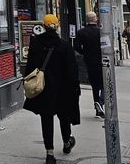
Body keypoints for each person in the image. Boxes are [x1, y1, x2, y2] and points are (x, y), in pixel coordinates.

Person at [24, 14, 81, 164]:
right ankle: (66, 141)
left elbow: (30, 67)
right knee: (65, 117)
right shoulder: (64, 46)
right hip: (63, 89)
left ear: (43, 26)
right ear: (57, 26)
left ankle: (49, 153)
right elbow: (72, 71)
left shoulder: (36, 44)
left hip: (44, 89)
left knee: (46, 119)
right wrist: (75, 88)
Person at [73, 12, 104, 117]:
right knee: (104, 84)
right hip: (101, 60)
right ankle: (101, 102)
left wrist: (84, 52)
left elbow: (76, 46)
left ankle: (97, 106)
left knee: (94, 85)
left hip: (89, 61)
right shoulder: (101, 32)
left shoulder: (81, 32)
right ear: (95, 19)